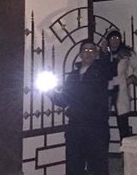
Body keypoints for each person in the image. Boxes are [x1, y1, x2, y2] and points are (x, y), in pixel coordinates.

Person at [50, 39, 111, 175]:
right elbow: (64, 100)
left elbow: (109, 68)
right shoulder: (73, 76)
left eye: (92, 50)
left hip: (97, 128)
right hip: (75, 128)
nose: (88, 53)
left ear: (96, 54)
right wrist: (51, 92)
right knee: (74, 166)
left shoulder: (100, 72)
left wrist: (105, 52)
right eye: (85, 50)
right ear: (80, 54)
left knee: (98, 167)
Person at [106, 30, 137, 141]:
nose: (114, 41)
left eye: (117, 38)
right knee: (102, 120)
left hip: (120, 89)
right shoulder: (104, 54)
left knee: (123, 122)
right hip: (106, 90)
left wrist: (132, 78)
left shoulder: (126, 53)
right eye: (112, 39)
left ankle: (126, 148)